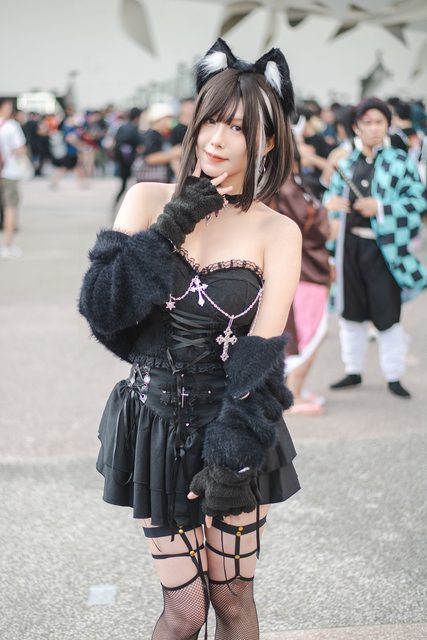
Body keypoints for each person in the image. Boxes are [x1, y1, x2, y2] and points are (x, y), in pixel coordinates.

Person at [79, 37, 301, 640]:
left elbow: (262, 355)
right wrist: (172, 224)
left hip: (234, 423)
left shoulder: (278, 231)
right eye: (211, 120)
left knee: (232, 600)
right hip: (152, 422)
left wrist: (231, 457)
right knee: (185, 611)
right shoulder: (147, 199)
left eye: (238, 127)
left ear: (268, 141)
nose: (217, 139)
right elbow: (102, 309)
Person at [324, 97, 427, 399]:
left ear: (387, 125)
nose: (373, 128)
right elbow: (329, 198)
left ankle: (393, 376)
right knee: (350, 312)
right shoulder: (346, 162)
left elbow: (418, 201)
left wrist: (380, 208)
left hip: (385, 251)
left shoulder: (400, 161)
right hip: (349, 247)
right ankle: (353, 370)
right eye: (367, 123)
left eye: (379, 122)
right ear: (356, 127)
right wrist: (331, 203)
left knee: (387, 313)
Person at [270, 141, 331, 415]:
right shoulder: (287, 186)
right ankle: (292, 393)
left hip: (302, 265)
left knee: (304, 331)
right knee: (311, 332)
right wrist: (327, 214)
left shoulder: (287, 182)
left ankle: (295, 389)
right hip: (306, 268)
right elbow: (310, 226)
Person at [0, 98, 27, 258]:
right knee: (10, 209)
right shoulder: (11, 126)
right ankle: (7, 246)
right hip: (8, 173)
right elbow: (20, 149)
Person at [112, 107, 143, 209]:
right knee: (132, 185)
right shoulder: (134, 129)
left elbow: (115, 141)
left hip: (121, 160)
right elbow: (140, 145)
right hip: (129, 161)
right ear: (137, 117)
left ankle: (116, 204)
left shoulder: (122, 127)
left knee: (123, 185)